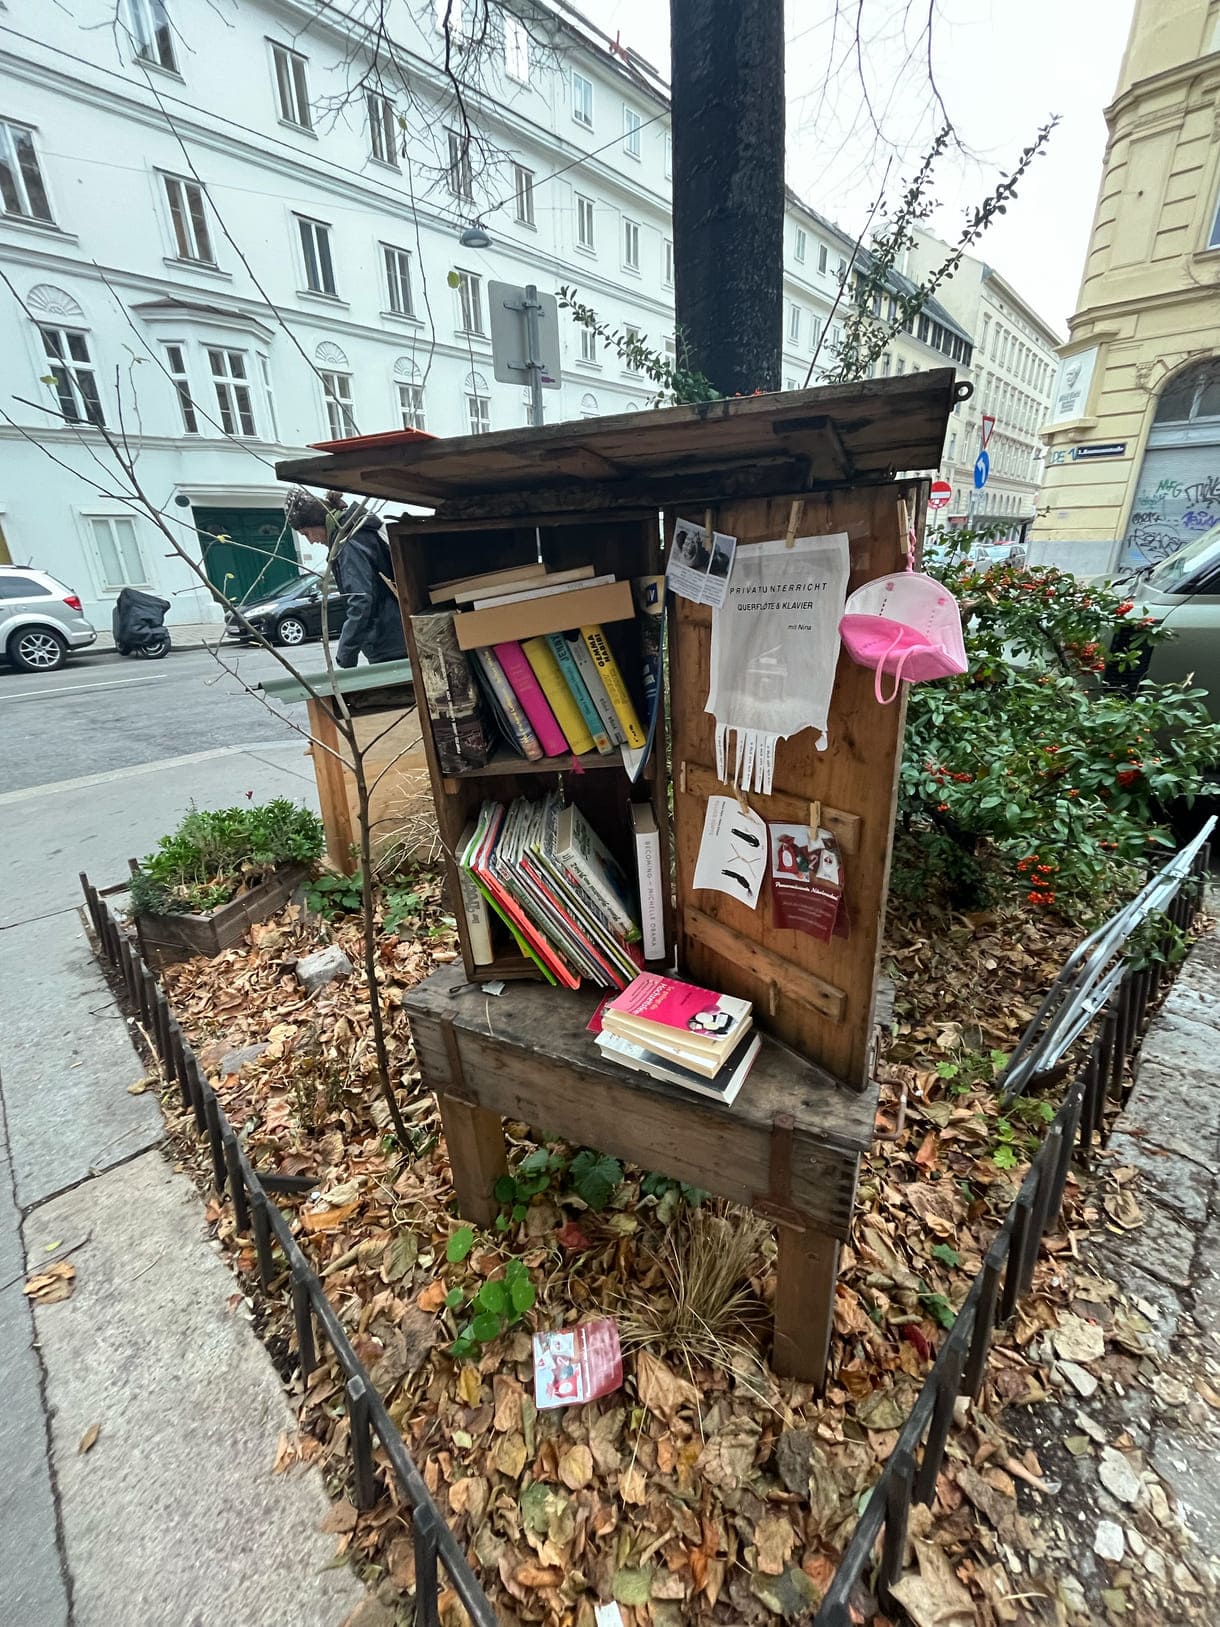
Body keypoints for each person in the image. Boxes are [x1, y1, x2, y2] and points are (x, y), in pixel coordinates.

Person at [283, 487, 407, 668]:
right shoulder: (359, 532)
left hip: (388, 641)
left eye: (306, 533)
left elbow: (360, 601)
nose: (310, 541)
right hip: (397, 634)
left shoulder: (349, 544)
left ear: (319, 523)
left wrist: (345, 655)